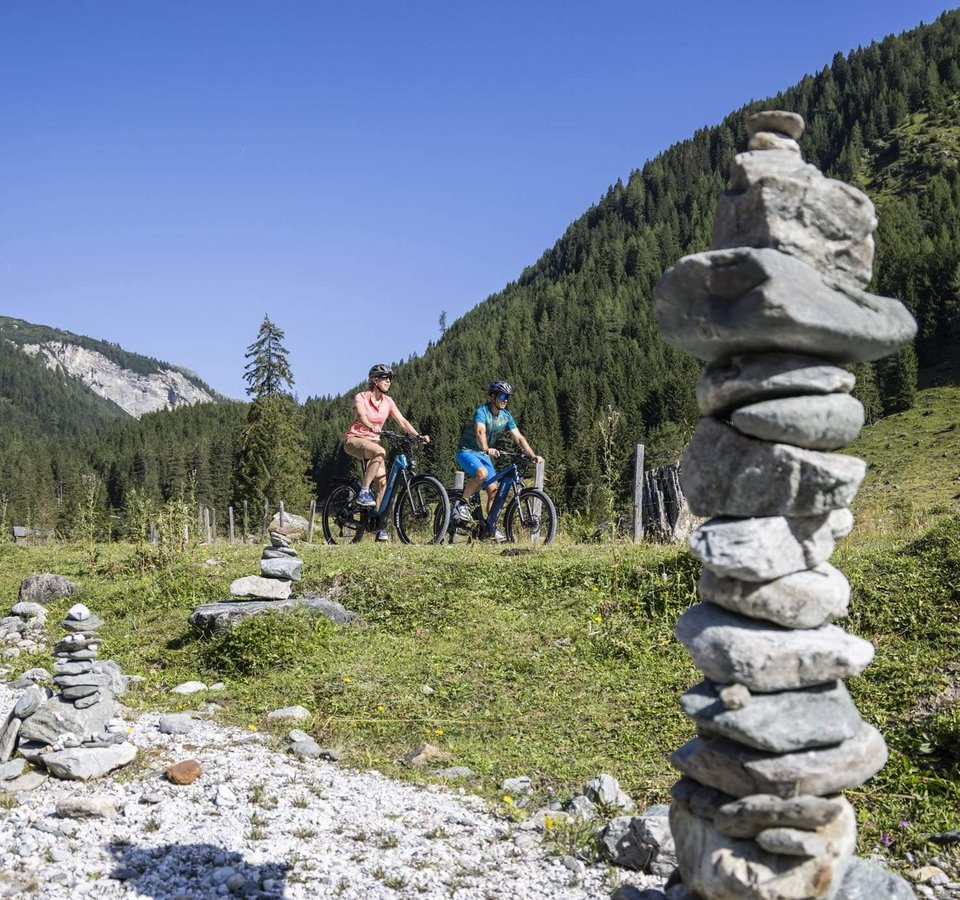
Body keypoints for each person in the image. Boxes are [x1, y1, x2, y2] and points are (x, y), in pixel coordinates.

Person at [343, 364, 429, 541]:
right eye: (385, 378)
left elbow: (402, 421)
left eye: (390, 378)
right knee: (380, 451)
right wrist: (370, 426)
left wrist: (418, 436)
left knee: (383, 484)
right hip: (355, 440)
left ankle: (378, 524)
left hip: (373, 444)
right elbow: (361, 415)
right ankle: (364, 491)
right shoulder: (361, 397)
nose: (389, 381)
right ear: (375, 380)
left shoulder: (388, 402)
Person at [453, 380, 543, 537]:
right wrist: (486, 448)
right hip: (467, 451)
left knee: (494, 491)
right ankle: (462, 505)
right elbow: (480, 432)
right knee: (482, 473)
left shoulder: (506, 416)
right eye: (502, 396)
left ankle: (491, 528)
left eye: (508, 397)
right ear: (493, 397)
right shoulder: (482, 411)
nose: (505, 400)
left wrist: (532, 455)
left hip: (484, 455)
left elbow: (519, 438)